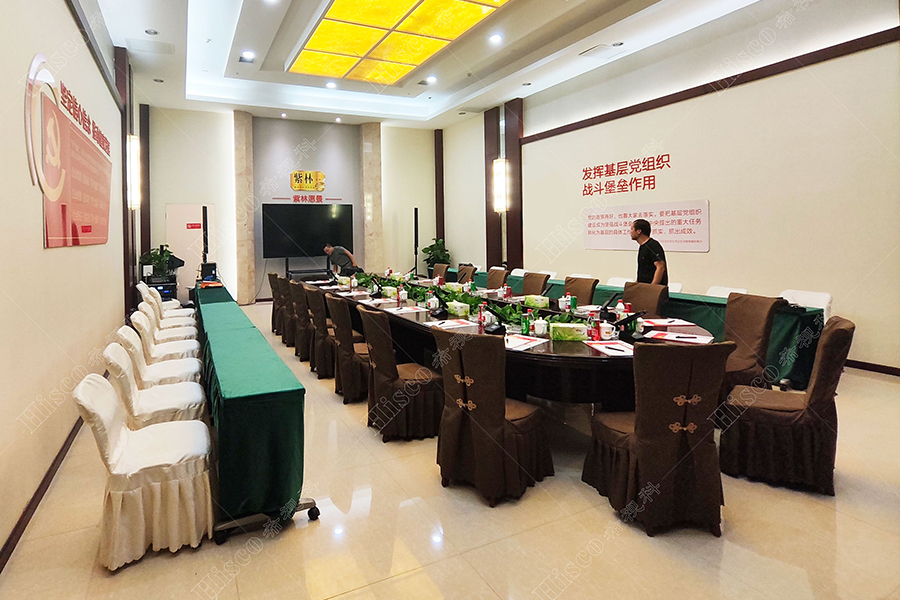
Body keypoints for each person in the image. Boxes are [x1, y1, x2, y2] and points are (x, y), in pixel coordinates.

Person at [630, 219, 668, 285]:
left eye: (632, 229)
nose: (630, 232)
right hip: (644, 286)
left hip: (653, 288)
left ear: (639, 231)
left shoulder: (653, 245)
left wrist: (652, 287)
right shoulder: (642, 246)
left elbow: (660, 267)